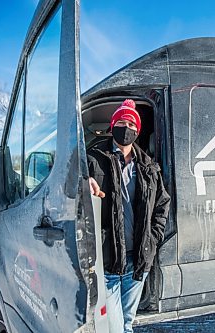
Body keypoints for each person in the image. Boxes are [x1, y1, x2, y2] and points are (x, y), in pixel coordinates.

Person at [87, 99, 171, 333]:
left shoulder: (148, 166)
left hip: (138, 260)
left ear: (137, 131)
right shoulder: (94, 158)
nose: (126, 127)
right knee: (113, 327)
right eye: (121, 122)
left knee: (125, 323)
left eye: (131, 124)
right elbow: (70, 182)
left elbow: (162, 204)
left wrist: (152, 239)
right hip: (109, 259)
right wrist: (85, 181)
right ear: (113, 126)